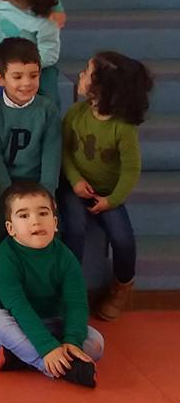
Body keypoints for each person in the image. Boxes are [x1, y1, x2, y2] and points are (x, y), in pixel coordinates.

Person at [61, 52, 153, 321]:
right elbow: (65, 151)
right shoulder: (76, 113)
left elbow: (131, 169)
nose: (79, 75)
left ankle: (122, 286)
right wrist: (75, 180)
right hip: (75, 189)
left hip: (107, 194)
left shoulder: (122, 128)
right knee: (74, 229)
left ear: (102, 88)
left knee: (123, 240)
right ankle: (70, 289)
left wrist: (112, 200)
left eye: (86, 73)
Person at [0, 183, 104, 387]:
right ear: (10, 228)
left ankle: (17, 357)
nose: (36, 221)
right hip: (18, 323)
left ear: (55, 223)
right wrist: (47, 347)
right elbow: (18, 306)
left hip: (54, 322)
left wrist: (72, 341)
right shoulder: (4, 259)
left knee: (96, 343)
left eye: (43, 213)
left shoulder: (65, 257)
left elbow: (76, 303)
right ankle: (60, 368)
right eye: (24, 216)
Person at [0, 38, 61, 237]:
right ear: (0, 79)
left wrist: (46, 194)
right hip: (4, 187)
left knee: (51, 228)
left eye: (33, 75)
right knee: (1, 227)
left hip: (37, 184)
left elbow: (52, 154)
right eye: (17, 77)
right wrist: (8, 195)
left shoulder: (47, 110)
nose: (26, 83)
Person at [0, 0, 61, 102]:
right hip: (4, 62)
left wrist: (24, 70)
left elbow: (49, 54)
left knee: (49, 99)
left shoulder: (45, 20)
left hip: (38, 66)